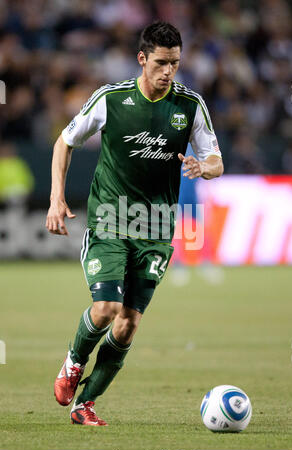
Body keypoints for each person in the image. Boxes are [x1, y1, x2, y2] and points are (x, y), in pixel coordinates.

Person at [46, 21, 223, 426]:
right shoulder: (111, 98)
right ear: (141, 59)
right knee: (106, 307)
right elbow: (64, 142)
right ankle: (74, 360)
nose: (168, 72)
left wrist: (204, 166)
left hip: (157, 229)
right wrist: (57, 198)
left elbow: (216, 159)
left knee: (127, 326)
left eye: (175, 64)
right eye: (161, 63)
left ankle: (85, 403)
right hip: (110, 220)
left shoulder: (190, 105)